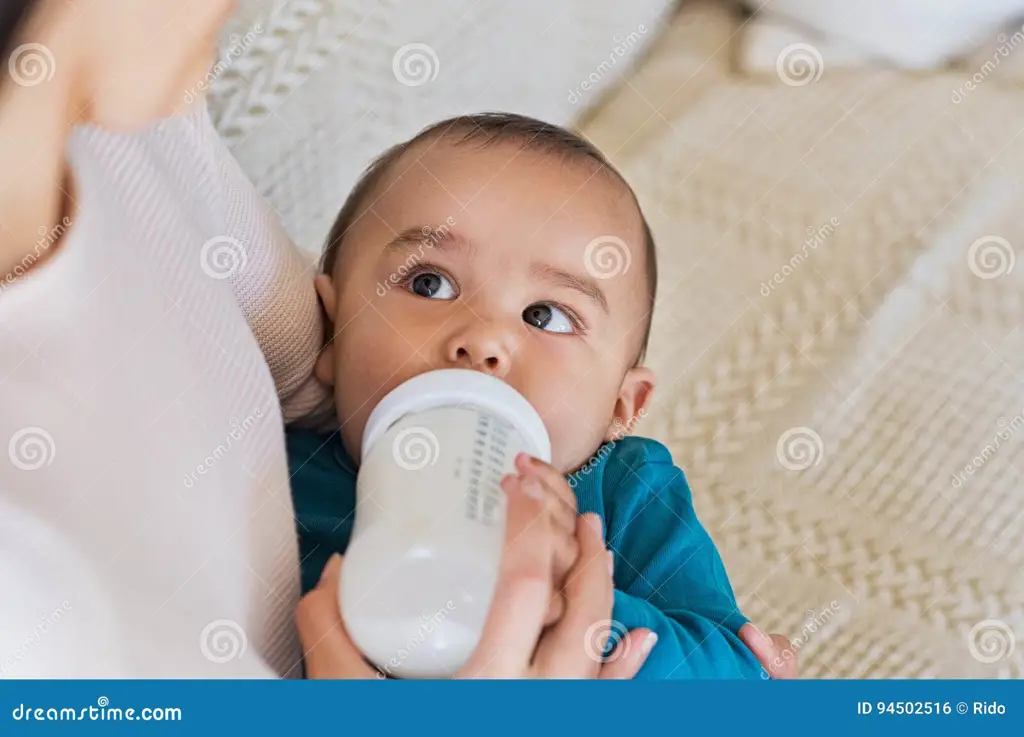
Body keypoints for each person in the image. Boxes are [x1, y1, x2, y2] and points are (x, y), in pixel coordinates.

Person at [0, 0, 793, 679]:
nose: (482, 340)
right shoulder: (290, 471)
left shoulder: (622, 494)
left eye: (549, 315)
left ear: (625, 402)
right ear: (333, 335)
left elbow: (741, 672)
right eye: (429, 284)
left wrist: (576, 607)